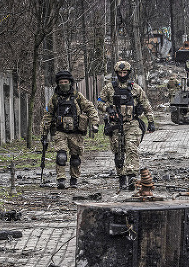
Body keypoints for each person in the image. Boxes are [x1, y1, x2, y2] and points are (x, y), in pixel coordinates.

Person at [98, 60, 157, 191]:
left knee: (132, 150)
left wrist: (151, 122)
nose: (123, 75)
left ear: (129, 73)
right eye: (120, 72)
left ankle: (131, 178)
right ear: (116, 73)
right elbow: (99, 102)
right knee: (118, 153)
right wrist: (108, 109)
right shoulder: (109, 88)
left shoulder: (135, 88)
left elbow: (146, 104)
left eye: (125, 72)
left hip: (132, 123)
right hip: (115, 125)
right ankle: (122, 179)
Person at [41, 70, 99, 189]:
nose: (63, 84)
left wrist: (94, 123)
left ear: (70, 82)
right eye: (61, 82)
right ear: (58, 83)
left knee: (75, 158)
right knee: (61, 156)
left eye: (66, 82)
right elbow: (47, 115)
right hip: (60, 131)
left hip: (76, 133)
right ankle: (61, 179)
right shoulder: (55, 98)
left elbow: (90, 108)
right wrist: (44, 133)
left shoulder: (77, 96)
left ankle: (74, 179)